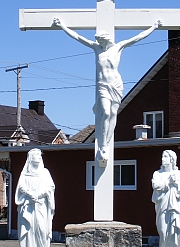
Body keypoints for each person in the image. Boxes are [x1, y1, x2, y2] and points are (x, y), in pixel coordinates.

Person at [53, 18, 160, 161]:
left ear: (107, 40)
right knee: (106, 112)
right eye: (99, 42)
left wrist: (153, 27)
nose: (100, 44)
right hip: (103, 86)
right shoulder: (96, 48)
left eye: (102, 41)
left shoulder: (119, 47)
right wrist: (62, 26)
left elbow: (138, 37)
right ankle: (102, 144)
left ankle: (106, 144)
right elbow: (77, 37)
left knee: (113, 114)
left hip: (115, 84)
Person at [15, 148, 55, 247]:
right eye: (36, 155)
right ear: (30, 157)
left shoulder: (45, 173)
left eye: (39, 155)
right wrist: (29, 194)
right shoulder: (25, 174)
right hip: (27, 207)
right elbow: (20, 187)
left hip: (40, 207)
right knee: (27, 232)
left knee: (41, 230)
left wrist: (38, 194)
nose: (38, 156)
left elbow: (50, 187)